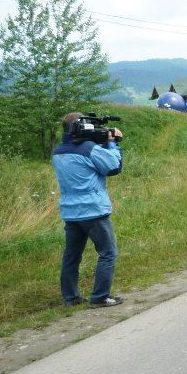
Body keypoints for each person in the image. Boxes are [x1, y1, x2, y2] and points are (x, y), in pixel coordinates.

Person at [52, 112, 124, 307]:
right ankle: (100, 297)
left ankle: (71, 298)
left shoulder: (58, 151)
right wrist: (112, 143)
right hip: (93, 211)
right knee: (108, 252)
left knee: (72, 256)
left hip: (70, 211)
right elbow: (113, 167)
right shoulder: (88, 149)